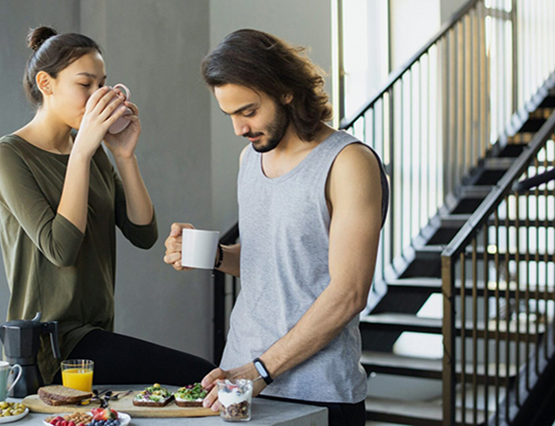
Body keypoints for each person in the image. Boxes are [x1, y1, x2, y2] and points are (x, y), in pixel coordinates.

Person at [163, 29, 389, 426]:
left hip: (318, 392)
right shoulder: (249, 161)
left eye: (248, 111)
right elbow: (270, 261)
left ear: (285, 91)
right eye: (230, 115)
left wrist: (261, 370)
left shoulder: (348, 163)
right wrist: (212, 256)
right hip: (238, 385)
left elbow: (349, 292)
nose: (239, 128)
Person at [0, 27, 214, 387]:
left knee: (193, 382)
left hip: (95, 332)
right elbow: (61, 248)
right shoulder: (11, 154)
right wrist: (82, 152)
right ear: (46, 83)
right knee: (200, 376)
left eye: (102, 84)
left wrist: (124, 156)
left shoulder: (91, 151)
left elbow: (143, 233)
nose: (98, 96)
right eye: (85, 85)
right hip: (51, 345)